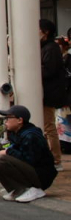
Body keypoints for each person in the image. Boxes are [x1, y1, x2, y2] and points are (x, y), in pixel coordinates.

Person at [0, 105, 57, 203]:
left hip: (41, 175)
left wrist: (7, 151)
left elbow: (30, 160)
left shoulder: (31, 135)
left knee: (2, 159)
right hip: (31, 170)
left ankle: (35, 189)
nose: (6, 121)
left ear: (20, 120)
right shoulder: (16, 133)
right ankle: (17, 189)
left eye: (8, 118)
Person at [39, 19, 68, 171]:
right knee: (48, 126)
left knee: (49, 126)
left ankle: (56, 160)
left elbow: (48, 70)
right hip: (48, 92)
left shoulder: (50, 48)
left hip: (49, 93)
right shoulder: (48, 47)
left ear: (45, 31)